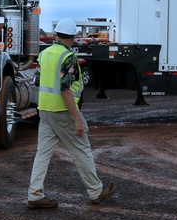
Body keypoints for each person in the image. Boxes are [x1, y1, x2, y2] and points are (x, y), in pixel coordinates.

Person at [26, 18, 117, 209]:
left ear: (56, 35)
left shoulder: (44, 54)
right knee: (81, 150)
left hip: (45, 111)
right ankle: (95, 191)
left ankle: (35, 194)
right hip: (64, 112)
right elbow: (65, 89)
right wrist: (77, 118)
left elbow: (37, 82)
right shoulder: (68, 57)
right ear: (73, 38)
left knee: (42, 153)